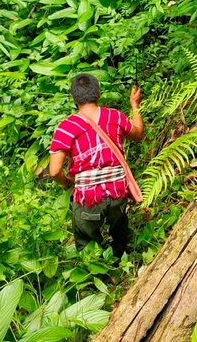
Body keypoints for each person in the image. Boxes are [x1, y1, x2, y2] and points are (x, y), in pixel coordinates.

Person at [46, 73, 143, 257]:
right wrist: (135, 105)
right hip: (117, 193)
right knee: (119, 227)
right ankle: (120, 257)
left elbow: (54, 170)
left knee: (86, 238)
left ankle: (95, 268)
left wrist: (66, 182)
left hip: (88, 198)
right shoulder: (114, 116)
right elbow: (138, 134)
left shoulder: (66, 127)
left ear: (74, 98)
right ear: (98, 93)